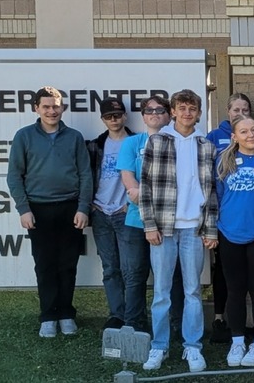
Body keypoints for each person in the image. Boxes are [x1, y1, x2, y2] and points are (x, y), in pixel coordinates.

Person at [140, 89, 218, 373]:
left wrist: (210, 229)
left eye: (192, 108)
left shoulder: (206, 146)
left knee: (193, 291)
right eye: (181, 108)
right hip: (164, 229)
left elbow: (210, 193)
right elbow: (145, 187)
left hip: (194, 230)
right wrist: (150, 225)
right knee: (161, 292)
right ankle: (158, 346)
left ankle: (192, 347)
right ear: (172, 112)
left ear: (199, 113)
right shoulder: (157, 141)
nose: (187, 113)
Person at [7, 86, 93, 338]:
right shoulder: (24, 136)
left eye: (55, 106)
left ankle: (66, 313)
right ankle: (48, 315)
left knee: (68, 264)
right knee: (44, 265)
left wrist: (83, 207)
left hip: (70, 207)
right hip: (37, 209)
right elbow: (14, 175)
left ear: (62, 107)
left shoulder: (74, 137)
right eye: (46, 106)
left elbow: (85, 174)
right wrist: (23, 209)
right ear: (36, 108)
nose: (51, 111)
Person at [215, 115, 254, 367]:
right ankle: (238, 340)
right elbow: (217, 198)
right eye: (244, 131)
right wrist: (217, 229)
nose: (251, 134)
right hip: (229, 235)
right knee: (235, 290)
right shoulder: (224, 161)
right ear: (234, 136)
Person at [117, 95, 173, 333]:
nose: (154, 113)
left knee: (171, 279)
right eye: (149, 110)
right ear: (143, 116)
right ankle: (135, 327)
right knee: (135, 277)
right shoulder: (132, 143)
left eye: (160, 110)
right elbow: (129, 179)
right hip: (135, 221)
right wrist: (134, 189)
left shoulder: (176, 142)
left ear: (169, 115)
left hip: (168, 223)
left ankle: (174, 326)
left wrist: (146, 192)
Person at [204, 92, 252, 343]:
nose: (241, 113)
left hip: (244, 217)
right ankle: (220, 317)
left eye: (245, 109)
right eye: (236, 109)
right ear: (227, 111)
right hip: (221, 214)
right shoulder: (214, 137)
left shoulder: (252, 136)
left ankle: (246, 322)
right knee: (222, 270)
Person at [87, 97, 137, 330]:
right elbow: (86, 176)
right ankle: (116, 314)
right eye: (109, 116)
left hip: (125, 212)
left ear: (125, 116)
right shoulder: (96, 145)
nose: (114, 119)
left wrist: (130, 204)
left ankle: (133, 315)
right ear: (103, 119)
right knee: (110, 268)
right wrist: (91, 205)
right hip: (101, 213)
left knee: (130, 269)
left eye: (117, 115)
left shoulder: (137, 142)